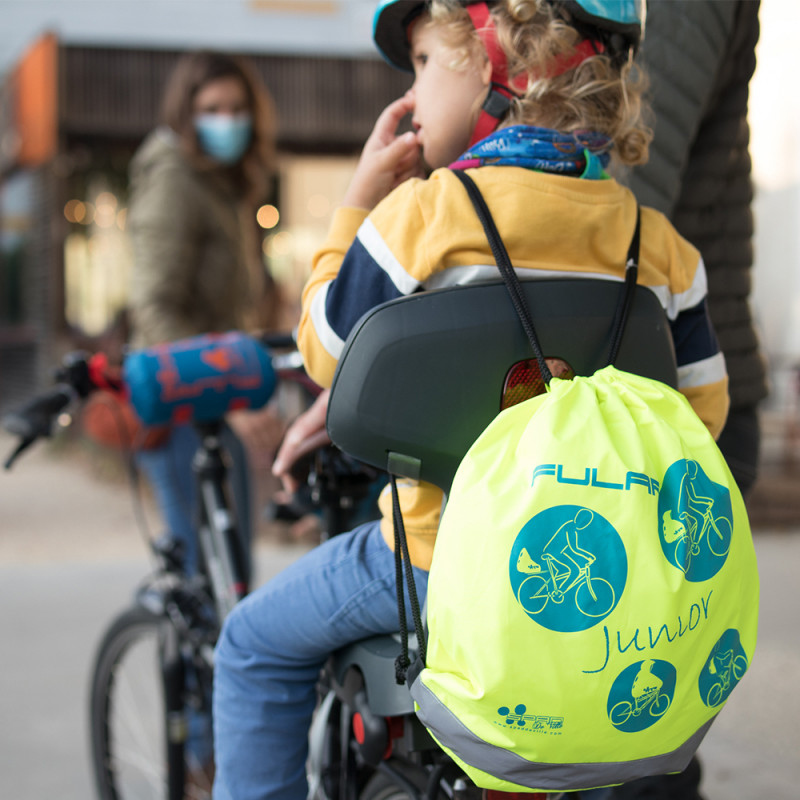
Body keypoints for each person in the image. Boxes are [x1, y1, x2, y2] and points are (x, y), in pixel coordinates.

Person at [212, 3, 729, 798]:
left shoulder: (422, 216)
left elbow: (325, 351)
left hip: (426, 558)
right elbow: (703, 414)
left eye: (421, 63)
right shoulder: (657, 247)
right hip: (595, 570)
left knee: (250, 643)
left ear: (495, 61)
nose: (411, 97)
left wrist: (356, 199)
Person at [126, 50, 283, 579]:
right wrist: (224, 388)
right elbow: (154, 305)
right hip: (180, 402)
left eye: (238, 107)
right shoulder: (173, 176)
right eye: (212, 107)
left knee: (234, 569)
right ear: (187, 113)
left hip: (217, 400)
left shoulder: (228, 183)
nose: (228, 120)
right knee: (202, 574)